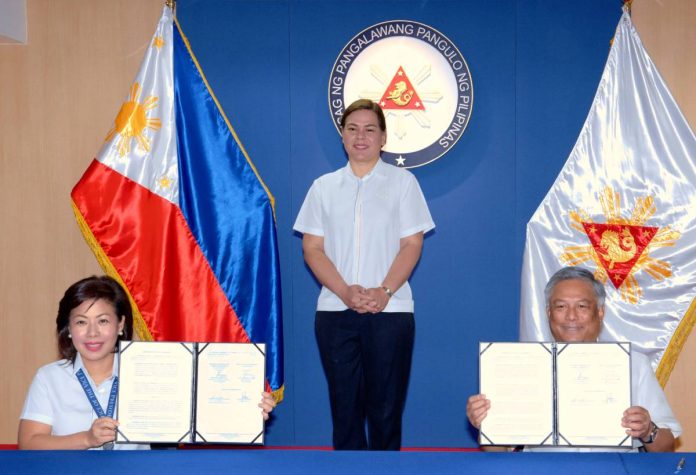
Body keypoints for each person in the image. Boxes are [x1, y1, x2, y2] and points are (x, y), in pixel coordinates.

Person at [294, 99, 435, 450]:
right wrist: (343, 291)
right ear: (342, 136)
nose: (361, 136)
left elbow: (412, 245)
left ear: (383, 138)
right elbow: (312, 249)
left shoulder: (404, 183)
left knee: (386, 413)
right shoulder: (323, 187)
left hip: (391, 313)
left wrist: (384, 291)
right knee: (345, 412)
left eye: (370, 129)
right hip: (335, 313)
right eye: (352, 129)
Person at [18, 275, 276, 450]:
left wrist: (245, 408)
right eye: (81, 322)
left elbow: (200, 414)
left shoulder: (153, 369)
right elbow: (29, 442)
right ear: (69, 328)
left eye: (103, 321)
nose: (93, 333)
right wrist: (86, 438)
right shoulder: (50, 377)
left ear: (120, 325)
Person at [466, 266, 681, 452]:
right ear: (548, 313)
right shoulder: (521, 367)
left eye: (582, 306)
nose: (571, 316)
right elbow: (499, 452)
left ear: (600, 312)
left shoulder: (634, 364)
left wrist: (647, 430)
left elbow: (666, 448)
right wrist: (486, 424)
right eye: (561, 307)